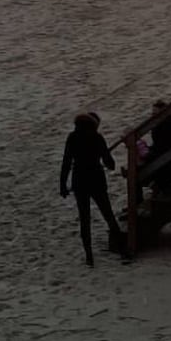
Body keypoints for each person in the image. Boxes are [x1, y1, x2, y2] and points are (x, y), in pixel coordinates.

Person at [60, 112, 129, 266]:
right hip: (96, 179)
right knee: (108, 215)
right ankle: (123, 252)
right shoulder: (97, 137)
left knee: (84, 219)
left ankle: (89, 257)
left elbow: (66, 162)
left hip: (79, 180)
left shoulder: (72, 137)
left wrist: (62, 185)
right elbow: (109, 163)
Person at [144, 100, 171, 196]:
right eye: (152, 113)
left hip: (170, 160)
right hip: (168, 156)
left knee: (145, 164)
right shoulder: (168, 122)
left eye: (155, 113)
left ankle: (155, 187)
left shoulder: (166, 124)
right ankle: (154, 187)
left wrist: (149, 151)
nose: (152, 116)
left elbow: (163, 145)